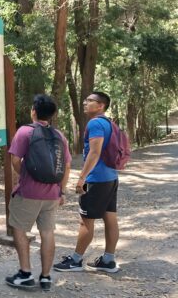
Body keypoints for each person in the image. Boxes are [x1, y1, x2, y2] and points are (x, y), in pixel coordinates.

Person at [5, 94, 72, 291]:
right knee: (48, 233)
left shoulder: (25, 131)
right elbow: (66, 166)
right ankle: (45, 276)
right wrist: (61, 191)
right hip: (52, 194)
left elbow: (15, 160)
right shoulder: (59, 136)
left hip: (29, 193)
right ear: (52, 115)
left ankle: (25, 274)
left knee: (19, 229)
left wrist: (24, 174)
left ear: (33, 111)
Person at [53, 91, 121, 273]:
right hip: (111, 176)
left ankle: (75, 261)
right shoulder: (109, 123)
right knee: (110, 217)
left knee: (86, 221)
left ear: (101, 106)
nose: (85, 102)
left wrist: (82, 177)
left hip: (97, 179)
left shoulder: (96, 123)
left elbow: (94, 152)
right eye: (85, 100)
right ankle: (108, 260)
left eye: (90, 101)